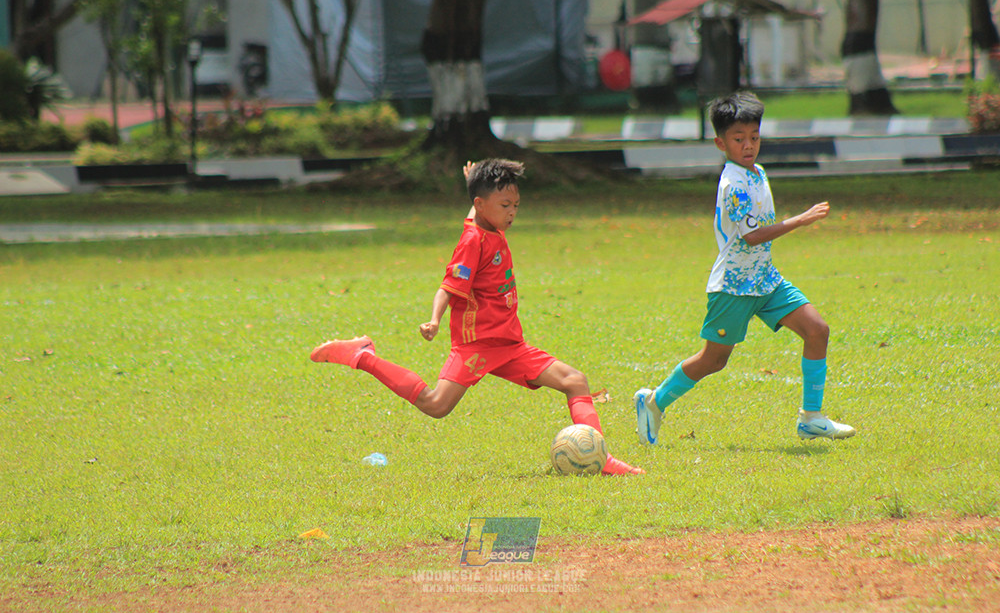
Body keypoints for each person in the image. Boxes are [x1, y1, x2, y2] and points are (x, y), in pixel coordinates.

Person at [312, 158, 644, 475]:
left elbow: (477, 207)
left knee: (575, 381)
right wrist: (435, 320)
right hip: (477, 345)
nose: (512, 212)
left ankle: (600, 458)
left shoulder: (485, 221)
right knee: (436, 405)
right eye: (505, 205)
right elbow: (447, 287)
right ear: (482, 204)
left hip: (510, 344)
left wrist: (474, 181)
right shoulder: (472, 241)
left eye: (516, 205)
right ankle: (363, 356)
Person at [634, 92, 856, 445]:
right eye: (739, 139)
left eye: (754, 137)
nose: (748, 145)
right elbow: (752, 236)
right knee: (714, 360)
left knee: (817, 330)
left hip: (765, 280)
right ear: (720, 143)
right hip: (734, 286)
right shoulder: (732, 184)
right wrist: (799, 220)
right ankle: (653, 401)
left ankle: (811, 418)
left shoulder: (758, 172)